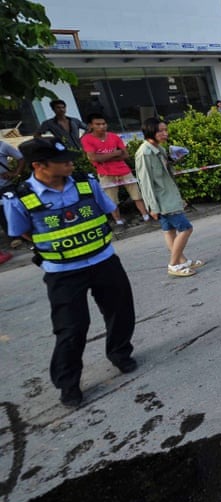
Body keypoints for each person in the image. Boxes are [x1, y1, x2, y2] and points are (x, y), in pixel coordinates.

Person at [2, 138, 137, 408]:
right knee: (71, 329)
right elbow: (22, 231)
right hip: (63, 271)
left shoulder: (86, 183)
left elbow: (107, 211)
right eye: (62, 161)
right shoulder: (20, 198)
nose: (70, 164)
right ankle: (68, 384)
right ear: (39, 165)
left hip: (104, 260)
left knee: (120, 311)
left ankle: (120, 353)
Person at [134, 118, 203, 277]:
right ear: (151, 132)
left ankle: (181, 261)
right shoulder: (144, 153)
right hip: (162, 200)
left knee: (169, 230)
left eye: (166, 130)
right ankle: (173, 264)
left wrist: (173, 159)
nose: (165, 133)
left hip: (168, 196)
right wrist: (152, 206)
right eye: (161, 131)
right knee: (186, 228)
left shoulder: (158, 149)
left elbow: (165, 173)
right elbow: (145, 183)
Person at [81, 113, 150, 226]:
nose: (102, 126)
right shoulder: (87, 139)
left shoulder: (114, 136)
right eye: (98, 124)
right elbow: (93, 157)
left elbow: (125, 155)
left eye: (103, 124)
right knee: (111, 199)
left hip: (123, 169)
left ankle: (146, 216)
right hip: (105, 173)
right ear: (90, 126)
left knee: (137, 195)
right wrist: (115, 153)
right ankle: (118, 221)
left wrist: (103, 157)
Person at [0, 140, 25, 253]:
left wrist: (15, 173)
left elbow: (21, 158)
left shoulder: (3, 146)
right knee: (1, 214)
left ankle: (19, 236)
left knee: (12, 210)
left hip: (6, 186)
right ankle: (13, 237)